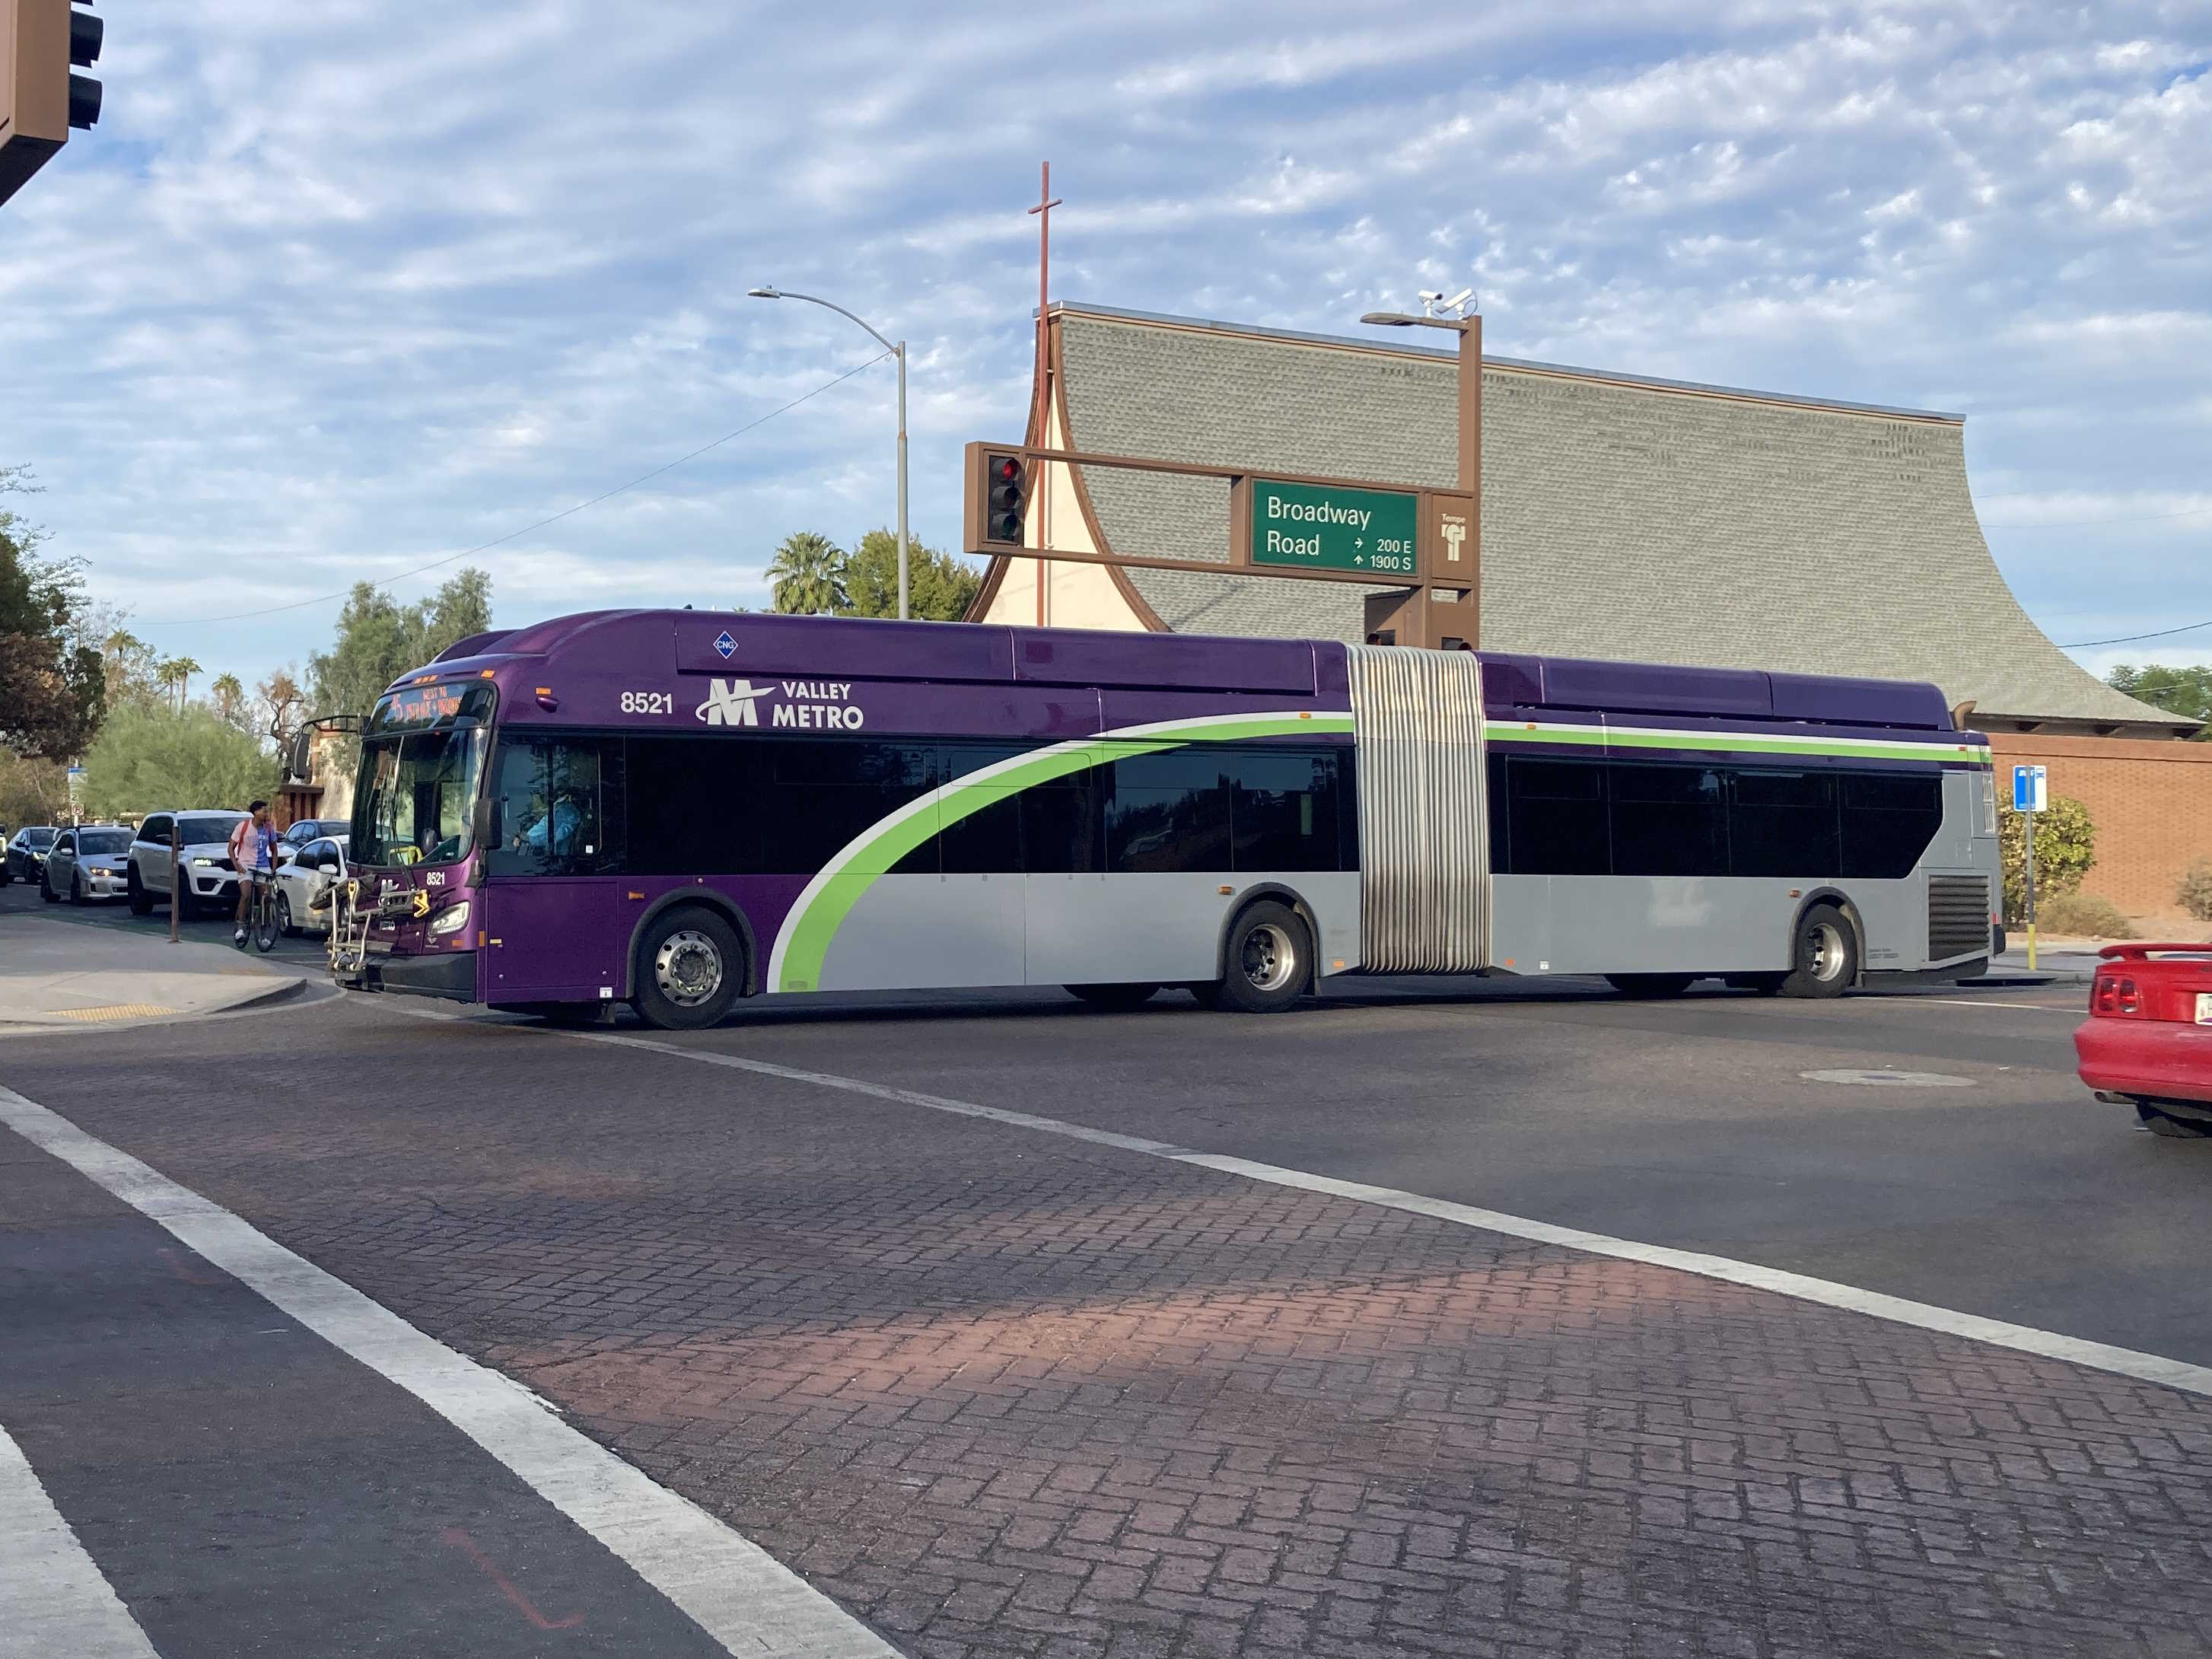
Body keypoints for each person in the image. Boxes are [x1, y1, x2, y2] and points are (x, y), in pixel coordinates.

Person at [230, 801, 278, 945]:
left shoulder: (269, 828)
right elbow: (231, 848)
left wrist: (273, 869)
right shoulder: (243, 827)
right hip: (246, 865)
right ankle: (241, 926)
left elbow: (275, 850)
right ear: (256, 813)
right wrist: (237, 866)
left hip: (263, 866)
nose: (267, 814)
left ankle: (263, 934)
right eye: (264, 811)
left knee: (266, 899)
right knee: (246, 894)